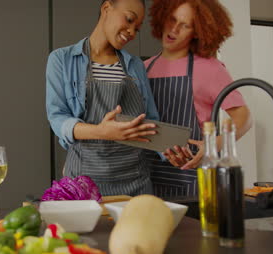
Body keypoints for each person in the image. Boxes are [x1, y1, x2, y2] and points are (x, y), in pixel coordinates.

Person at [46, 0, 160, 196]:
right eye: (129, 19)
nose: (132, 31)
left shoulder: (136, 66)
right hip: (84, 183)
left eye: (137, 28)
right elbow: (58, 118)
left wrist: (172, 150)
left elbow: (150, 121)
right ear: (106, 8)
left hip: (135, 183)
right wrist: (101, 131)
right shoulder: (62, 59)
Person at [144, 0, 252, 197]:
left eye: (185, 25)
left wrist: (214, 145)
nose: (173, 29)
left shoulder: (210, 68)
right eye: (172, 19)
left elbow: (244, 119)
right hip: (147, 179)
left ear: (196, 32)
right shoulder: (144, 68)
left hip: (192, 179)